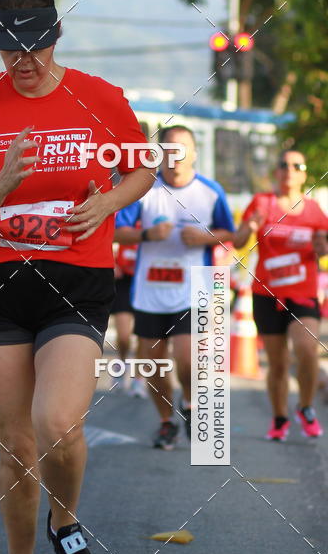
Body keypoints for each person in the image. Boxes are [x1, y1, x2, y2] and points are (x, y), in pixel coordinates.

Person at [0, 0, 154, 554]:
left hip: (74, 282)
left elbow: (141, 166)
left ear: (56, 37)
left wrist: (110, 201)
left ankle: (65, 523)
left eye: (35, 46)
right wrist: (3, 180)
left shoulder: (99, 97)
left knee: (59, 425)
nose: (24, 61)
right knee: (15, 442)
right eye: (11, 48)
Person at [115, 125, 234, 450]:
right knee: (152, 366)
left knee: (187, 358)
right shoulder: (144, 189)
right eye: (169, 149)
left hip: (193, 288)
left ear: (194, 154)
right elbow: (116, 230)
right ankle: (167, 422)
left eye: (182, 149)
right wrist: (145, 236)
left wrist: (206, 237)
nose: (175, 156)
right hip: (149, 290)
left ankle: (192, 404)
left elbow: (230, 232)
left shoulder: (210, 191)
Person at [233, 149, 328, 440]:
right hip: (266, 295)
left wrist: (322, 244)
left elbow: (323, 252)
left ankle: (306, 406)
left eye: (296, 165)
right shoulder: (262, 203)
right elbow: (238, 242)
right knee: (277, 364)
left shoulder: (314, 210)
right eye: (283, 164)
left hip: (303, 295)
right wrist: (249, 226)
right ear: (276, 171)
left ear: (304, 174)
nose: (289, 170)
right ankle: (279, 418)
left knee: (307, 350)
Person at [110, 216, 147, 396]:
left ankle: (138, 378)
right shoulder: (122, 216)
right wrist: (112, 263)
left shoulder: (153, 217)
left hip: (145, 282)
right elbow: (106, 239)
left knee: (142, 336)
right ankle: (121, 365)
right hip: (123, 281)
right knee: (124, 335)